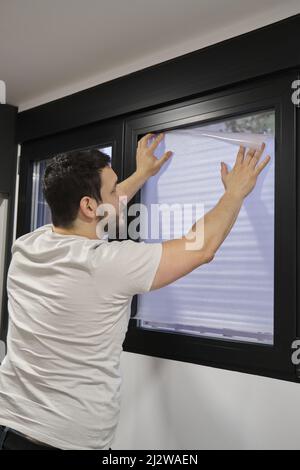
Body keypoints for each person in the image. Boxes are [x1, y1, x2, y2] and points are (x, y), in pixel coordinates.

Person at [0, 133, 270, 450]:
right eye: (113, 189)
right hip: (65, 442)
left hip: (12, 427)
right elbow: (200, 248)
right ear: (88, 205)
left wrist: (142, 175)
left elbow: (100, 212)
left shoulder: (29, 245)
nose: (120, 194)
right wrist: (235, 193)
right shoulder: (104, 264)